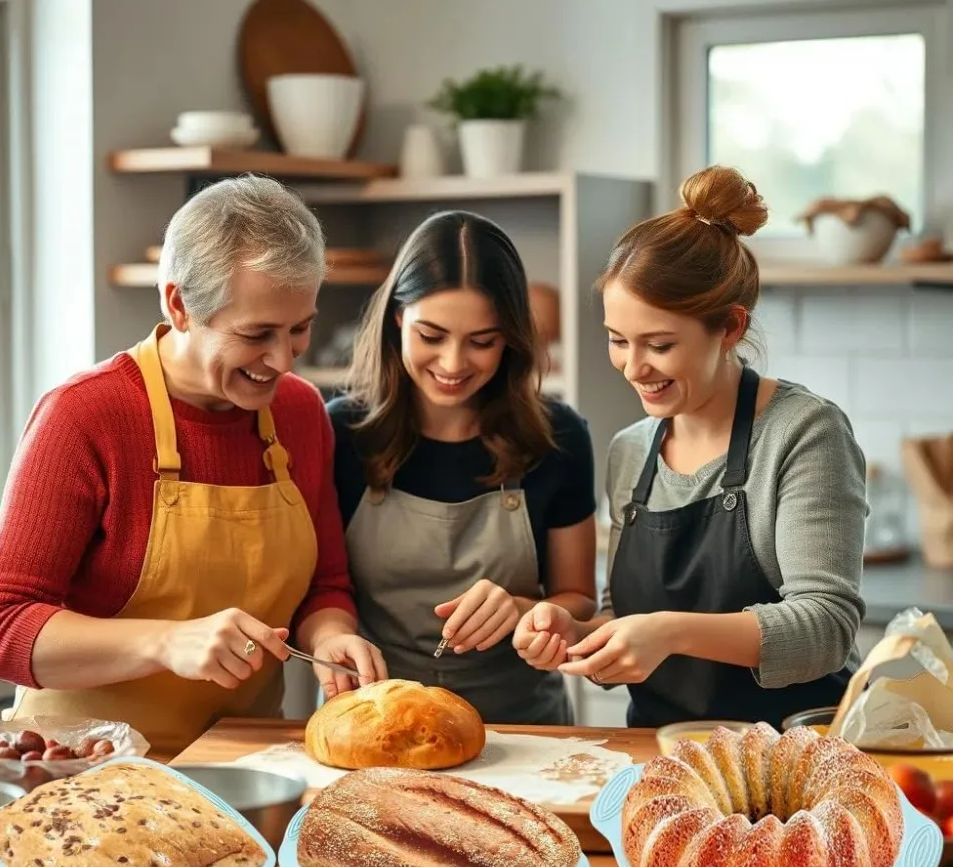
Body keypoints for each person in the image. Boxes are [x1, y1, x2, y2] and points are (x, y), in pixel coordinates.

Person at [0, 174, 386, 756]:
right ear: (180, 305)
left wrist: (332, 635)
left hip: (244, 762)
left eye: (300, 328)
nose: (283, 359)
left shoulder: (300, 411)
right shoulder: (85, 415)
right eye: (256, 333)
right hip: (84, 774)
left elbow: (325, 584)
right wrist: (166, 643)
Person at [513, 165, 866, 729]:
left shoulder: (804, 433)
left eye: (659, 344)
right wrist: (578, 636)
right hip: (662, 753)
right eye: (617, 341)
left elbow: (826, 628)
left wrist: (669, 631)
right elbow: (622, 619)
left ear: (729, 327)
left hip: (793, 753)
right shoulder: (631, 450)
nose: (633, 367)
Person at [328, 210, 599, 725]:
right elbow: (322, 589)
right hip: (375, 722)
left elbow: (580, 599)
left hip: (522, 728)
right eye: (431, 335)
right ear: (397, 319)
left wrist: (524, 610)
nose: (453, 364)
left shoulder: (558, 436)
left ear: (512, 339)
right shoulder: (343, 434)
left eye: (482, 342)